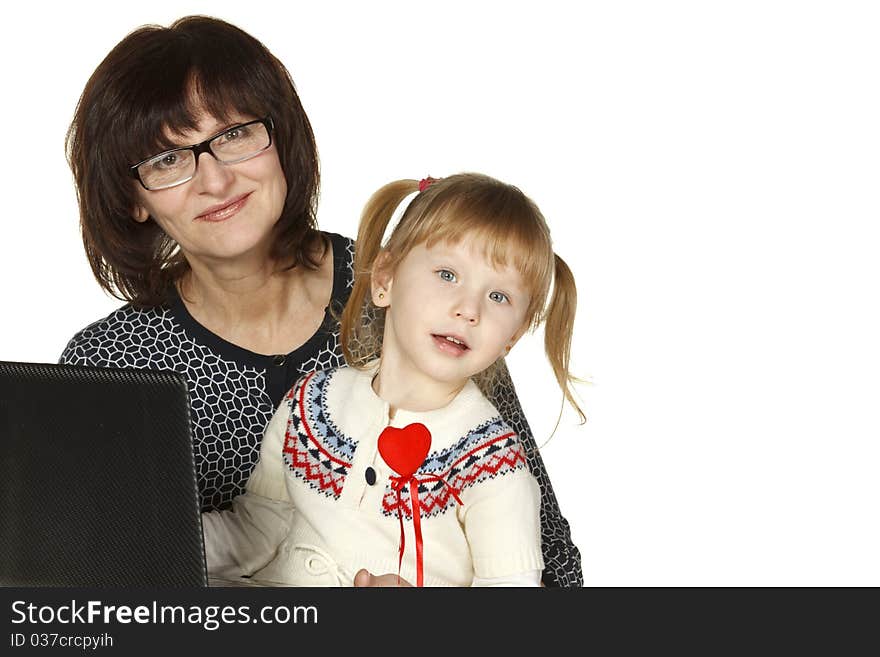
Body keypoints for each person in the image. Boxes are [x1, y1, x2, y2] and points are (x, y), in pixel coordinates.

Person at [58, 16, 582, 587]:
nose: (213, 180)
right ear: (131, 198)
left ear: (279, 137)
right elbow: (89, 586)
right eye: (167, 159)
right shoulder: (111, 364)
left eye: (233, 134)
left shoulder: (424, 290)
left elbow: (548, 561)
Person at [203, 173, 584, 586]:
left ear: (511, 337)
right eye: (447, 274)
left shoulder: (494, 465)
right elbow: (258, 529)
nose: (468, 309)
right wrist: (166, 540)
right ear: (384, 279)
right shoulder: (310, 402)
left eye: (499, 297)